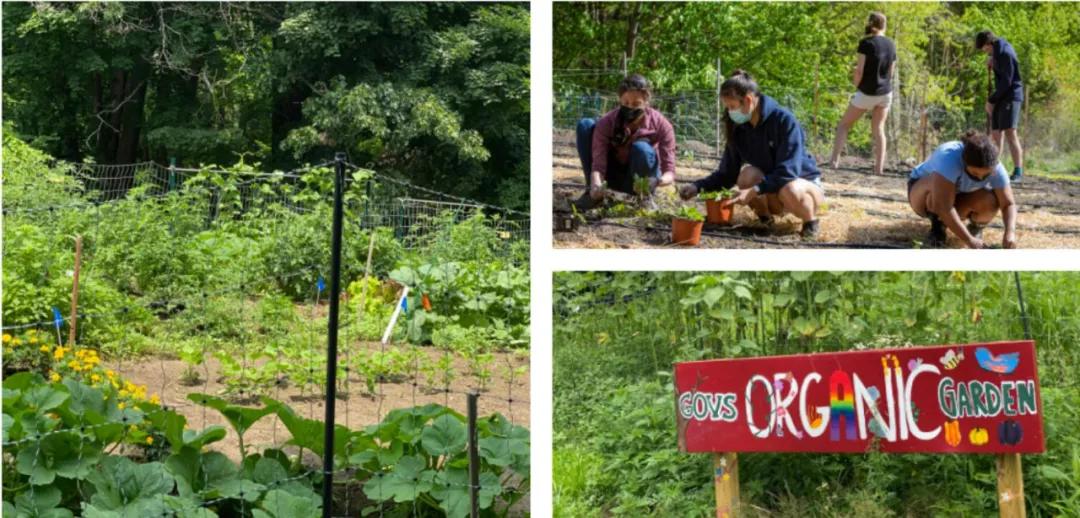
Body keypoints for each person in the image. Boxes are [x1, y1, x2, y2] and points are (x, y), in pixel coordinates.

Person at [679, 70, 825, 239]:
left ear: (748, 101)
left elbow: (788, 172)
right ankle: (766, 222)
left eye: (732, 107)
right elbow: (727, 174)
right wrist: (697, 187)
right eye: (727, 107)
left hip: (802, 185)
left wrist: (755, 190)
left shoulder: (784, 120)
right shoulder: (739, 128)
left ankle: (810, 224)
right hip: (772, 187)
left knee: (789, 188)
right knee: (746, 176)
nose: (730, 112)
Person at [575, 74, 677, 210]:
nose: (630, 108)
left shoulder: (662, 125)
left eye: (636, 104)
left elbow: (669, 172)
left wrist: (657, 181)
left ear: (646, 102)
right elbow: (598, 165)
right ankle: (593, 194)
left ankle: (644, 198)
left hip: (641, 180)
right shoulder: (607, 122)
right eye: (626, 103)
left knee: (642, 148)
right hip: (612, 176)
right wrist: (596, 183)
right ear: (619, 101)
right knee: (585, 125)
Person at [907, 130, 1017, 249]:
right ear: (964, 162)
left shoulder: (997, 168)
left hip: (957, 196)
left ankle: (976, 228)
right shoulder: (949, 158)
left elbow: (1008, 204)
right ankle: (937, 228)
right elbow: (944, 206)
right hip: (922, 195)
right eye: (975, 173)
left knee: (990, 199)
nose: (980, 178)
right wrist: (968, 240)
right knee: (936, 186)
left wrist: (1010, 233)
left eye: (985, 175)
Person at [829, 12, 896, 175]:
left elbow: (859, 70)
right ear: (884, 25)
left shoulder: (866, 43)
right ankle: (879, 169)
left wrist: (857, 85)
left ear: (870, 24)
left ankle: (834, 162)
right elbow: (891, 72)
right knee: (879, 129)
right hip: (885, 92)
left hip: (867, 92)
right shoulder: (891, 44)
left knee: (844, 125)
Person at [976, 30, 1024, 182]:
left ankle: (1018, 172)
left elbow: (1007, 82)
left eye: (984, 48)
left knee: (1010, 133)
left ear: (988, 43)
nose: (985, 52)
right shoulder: (996, 51)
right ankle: (994, 169)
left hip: (1011, 96)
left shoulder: (1005, 52)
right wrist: (992, 61)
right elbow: (999, 70)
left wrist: (991, 100)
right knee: (996, 133)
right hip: (1001, 96)